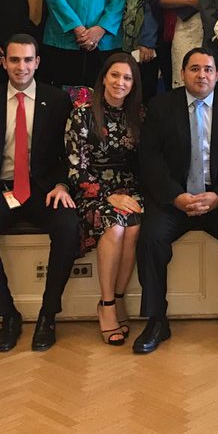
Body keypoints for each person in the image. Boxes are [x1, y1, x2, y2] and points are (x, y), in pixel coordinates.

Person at [134, 47, 218, 355]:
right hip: (176, 199)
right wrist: (175, 196)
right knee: (150, 238)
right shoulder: (161, 106)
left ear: (217, 75)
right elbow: (150, 159)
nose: (202, 75)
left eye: (208, 69)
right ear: (182, 73)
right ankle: (156, 321)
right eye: (195, 69)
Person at [0, 35, 78, 352]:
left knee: (69, 226)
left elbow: (69, 152)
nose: (21, 67)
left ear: (37, 62)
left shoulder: (57, 100)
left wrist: (62, 185)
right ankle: (8, 316)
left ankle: (48, 315)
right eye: (14, 60)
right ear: (4, 62)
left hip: (43, 190)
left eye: (28, 60)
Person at [65, 52, 144, 345]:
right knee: (116, 227)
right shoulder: (82, 113)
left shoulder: (139, 115)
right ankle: (107, 303)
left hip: (130, 189)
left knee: (134, 226)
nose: (120, 82)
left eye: (127, 78)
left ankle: (120, 297)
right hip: (93, 190)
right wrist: (109, 196)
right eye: (115, 75)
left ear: (134, 84)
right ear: (104, 78)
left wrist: (128, 195)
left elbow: (145, 163)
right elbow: (76, 168)